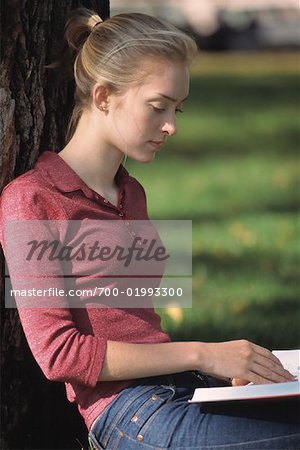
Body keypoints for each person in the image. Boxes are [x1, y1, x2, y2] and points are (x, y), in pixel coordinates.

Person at [0, 8, 299, 450]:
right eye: (158, 107)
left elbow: (136, 323)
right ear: (103, 97)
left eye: (178, 108)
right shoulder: (32, 198)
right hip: (130, 413)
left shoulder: (130, 192)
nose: (172, 126)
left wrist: (217, 371)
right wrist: (204, 352)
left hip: (182, 388)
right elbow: (60, 355)